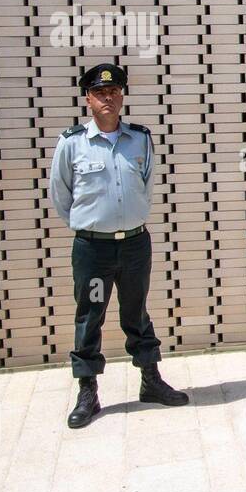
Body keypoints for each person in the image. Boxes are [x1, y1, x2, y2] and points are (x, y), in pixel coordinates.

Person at [48, 62, 188, 430]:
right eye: (100, 92)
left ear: (121, 96)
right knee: (90, 314)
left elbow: (146, 184)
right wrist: (91, 227)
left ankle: (150, 380)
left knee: (136, 311)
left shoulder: (140, 139)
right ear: (88, 99)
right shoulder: (72, 142)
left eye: (114, 91)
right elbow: (61, 196)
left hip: (135, 246)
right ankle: (87, 391)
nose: (107, 97)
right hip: (94, 250)